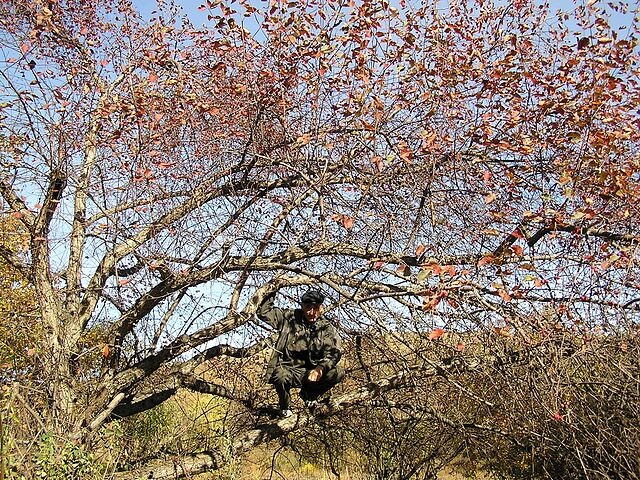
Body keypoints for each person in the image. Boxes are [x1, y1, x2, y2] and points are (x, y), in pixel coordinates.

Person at [257, 288, 344, 417]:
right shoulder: (288, 318)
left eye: (315, 308)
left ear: (321, 308)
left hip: (311, 374)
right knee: (280, 374)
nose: (311, 312)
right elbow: (263, 312)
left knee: (338, 372)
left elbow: (334, 353)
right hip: (288, 370)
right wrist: (274, 287)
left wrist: (320, 368)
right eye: (308, 307)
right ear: (302, 306)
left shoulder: (326, 327)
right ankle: (284, 407)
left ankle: (310, 395)